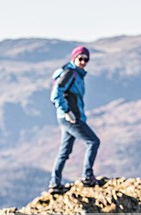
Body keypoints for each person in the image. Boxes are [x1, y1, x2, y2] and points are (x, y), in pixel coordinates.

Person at [49, 45, 100, 193]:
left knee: (64, 152)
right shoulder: (70, 73)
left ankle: (55, 183)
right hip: (71, 118)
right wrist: (67, 112)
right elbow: (55, 94)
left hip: (69, 118)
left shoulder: (76, 74)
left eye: (86, 59)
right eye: (81, 58)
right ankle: (87, 176)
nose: (83, 61)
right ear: (74, 58)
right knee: (93, 142)